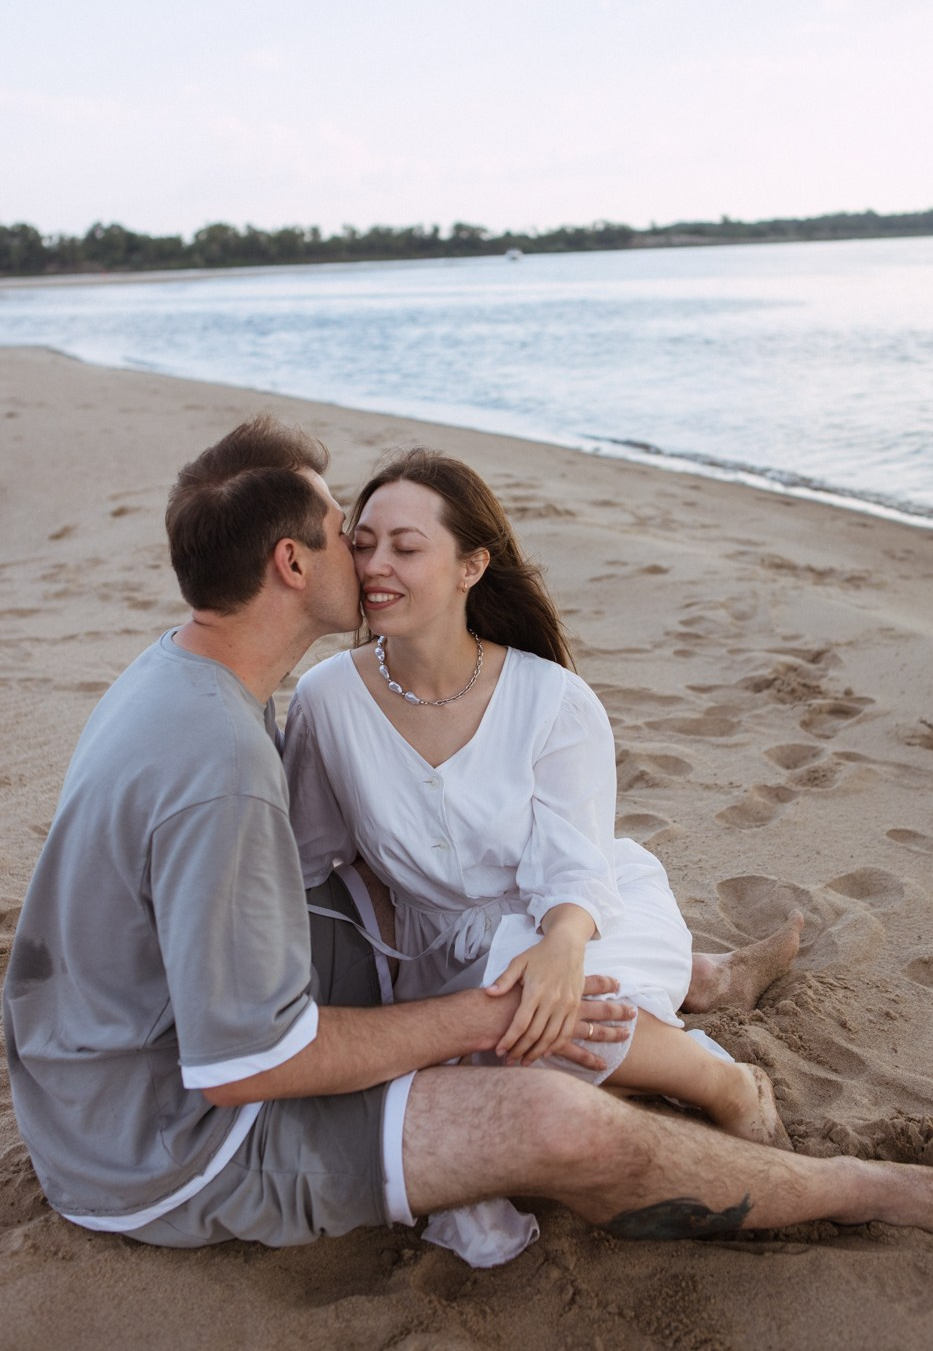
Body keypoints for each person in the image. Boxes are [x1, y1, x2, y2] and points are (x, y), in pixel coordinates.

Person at [4, 416, 933, 1255]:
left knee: (509, 945)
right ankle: (859, 1187)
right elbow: (251, 1062)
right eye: (346, 533)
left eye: (394, 542)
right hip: (163, 1142)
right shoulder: (229, 766)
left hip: (97, 1063)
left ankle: (691, 978)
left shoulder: (181, 676)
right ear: (292, 563)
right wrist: (483, 1016)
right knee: (557, 1117)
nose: (365, 558)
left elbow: (302, 868)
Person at [284, 449, 796, 1164]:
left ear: (471, 566)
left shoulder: (552, 698)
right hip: (434, 959)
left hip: (562, 917)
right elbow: (312, 854)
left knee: (554, 1019)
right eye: (363, 544)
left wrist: (560, 949)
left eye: (406, 548)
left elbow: (575, 866)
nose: (375, 567)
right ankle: (702, 983)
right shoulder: (326, 698)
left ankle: (732, 1084)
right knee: (529, 1055)